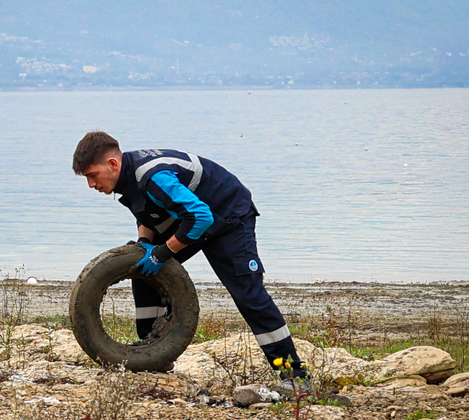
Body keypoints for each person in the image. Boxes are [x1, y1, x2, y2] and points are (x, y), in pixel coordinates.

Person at [72, 131, 309, 393]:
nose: (91, 185)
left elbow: (201, 217)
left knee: (249, 296)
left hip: (227, 216)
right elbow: (148, 214)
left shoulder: (153, 176)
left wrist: (162, 253)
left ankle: (294, 377)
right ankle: (153, 355)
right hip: (191, 218)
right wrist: (145, 245)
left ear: (112, 164)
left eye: (92, 176)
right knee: (144, 276)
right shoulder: (125, 179)